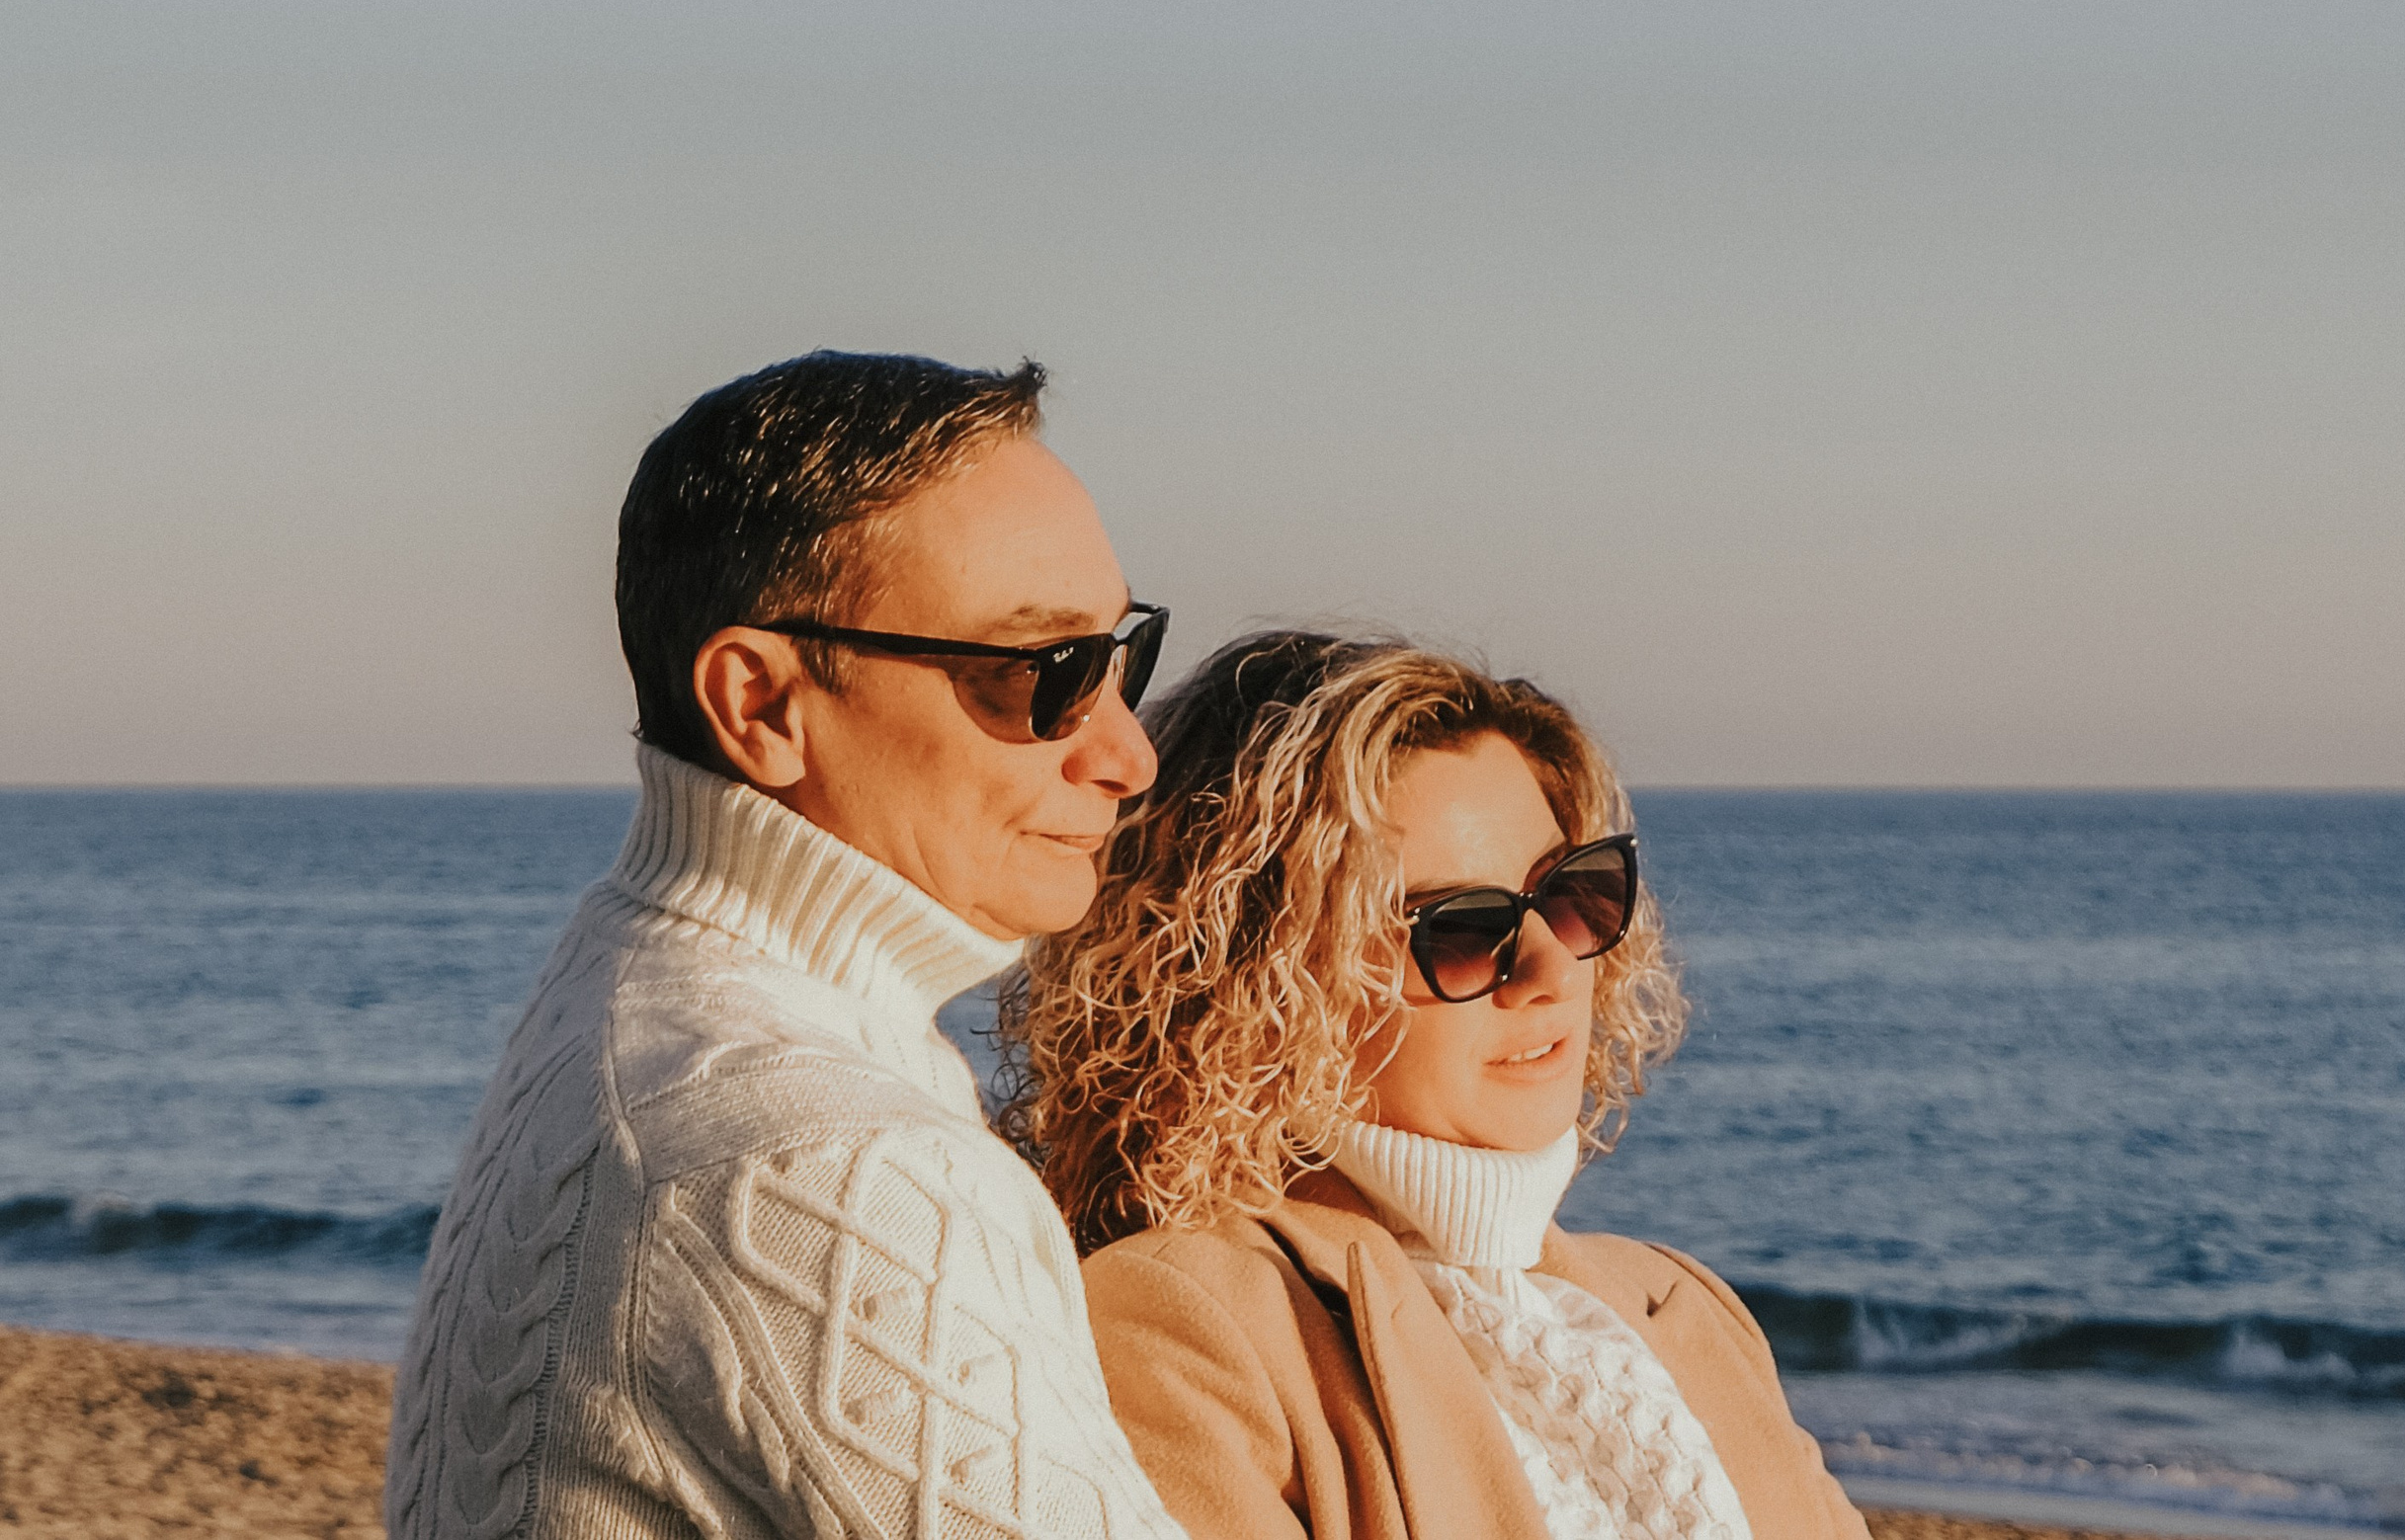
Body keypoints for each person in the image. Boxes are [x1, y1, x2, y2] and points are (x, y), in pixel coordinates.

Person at [388, 353, 1186, 1540]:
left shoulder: (630, 988)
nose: (1127, 756)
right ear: (760, 704)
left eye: (1119, 658)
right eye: (1042, 674)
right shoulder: (824, 1157)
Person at [1000, 631, 1869, 1540]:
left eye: (1574, 893)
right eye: (1462, 926)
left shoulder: (1681, 1305)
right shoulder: (1184, 1324)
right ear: (1258, 978)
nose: (1549, 965)